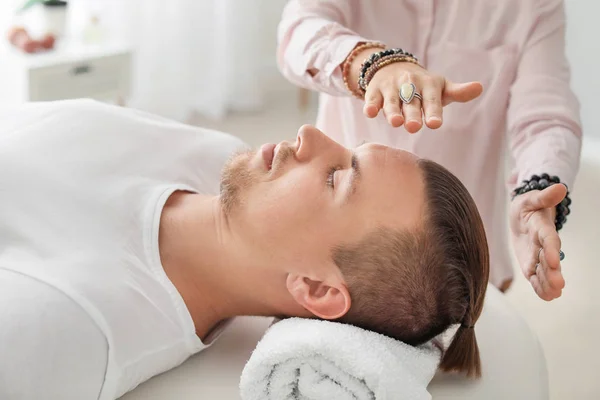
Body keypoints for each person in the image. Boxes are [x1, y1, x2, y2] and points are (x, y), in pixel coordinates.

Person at [0, 98, 533, 399]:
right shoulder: (217, 157)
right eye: (345, 151)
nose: (308, 135)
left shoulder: (79, 325)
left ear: (317, 288)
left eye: (334, 179)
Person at [277, 0, 581, 300]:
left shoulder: (534, 6)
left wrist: (536, 191)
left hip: (461, 260)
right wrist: (374, 63)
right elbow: (299, 30)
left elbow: (545, 115)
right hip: (333, 247)